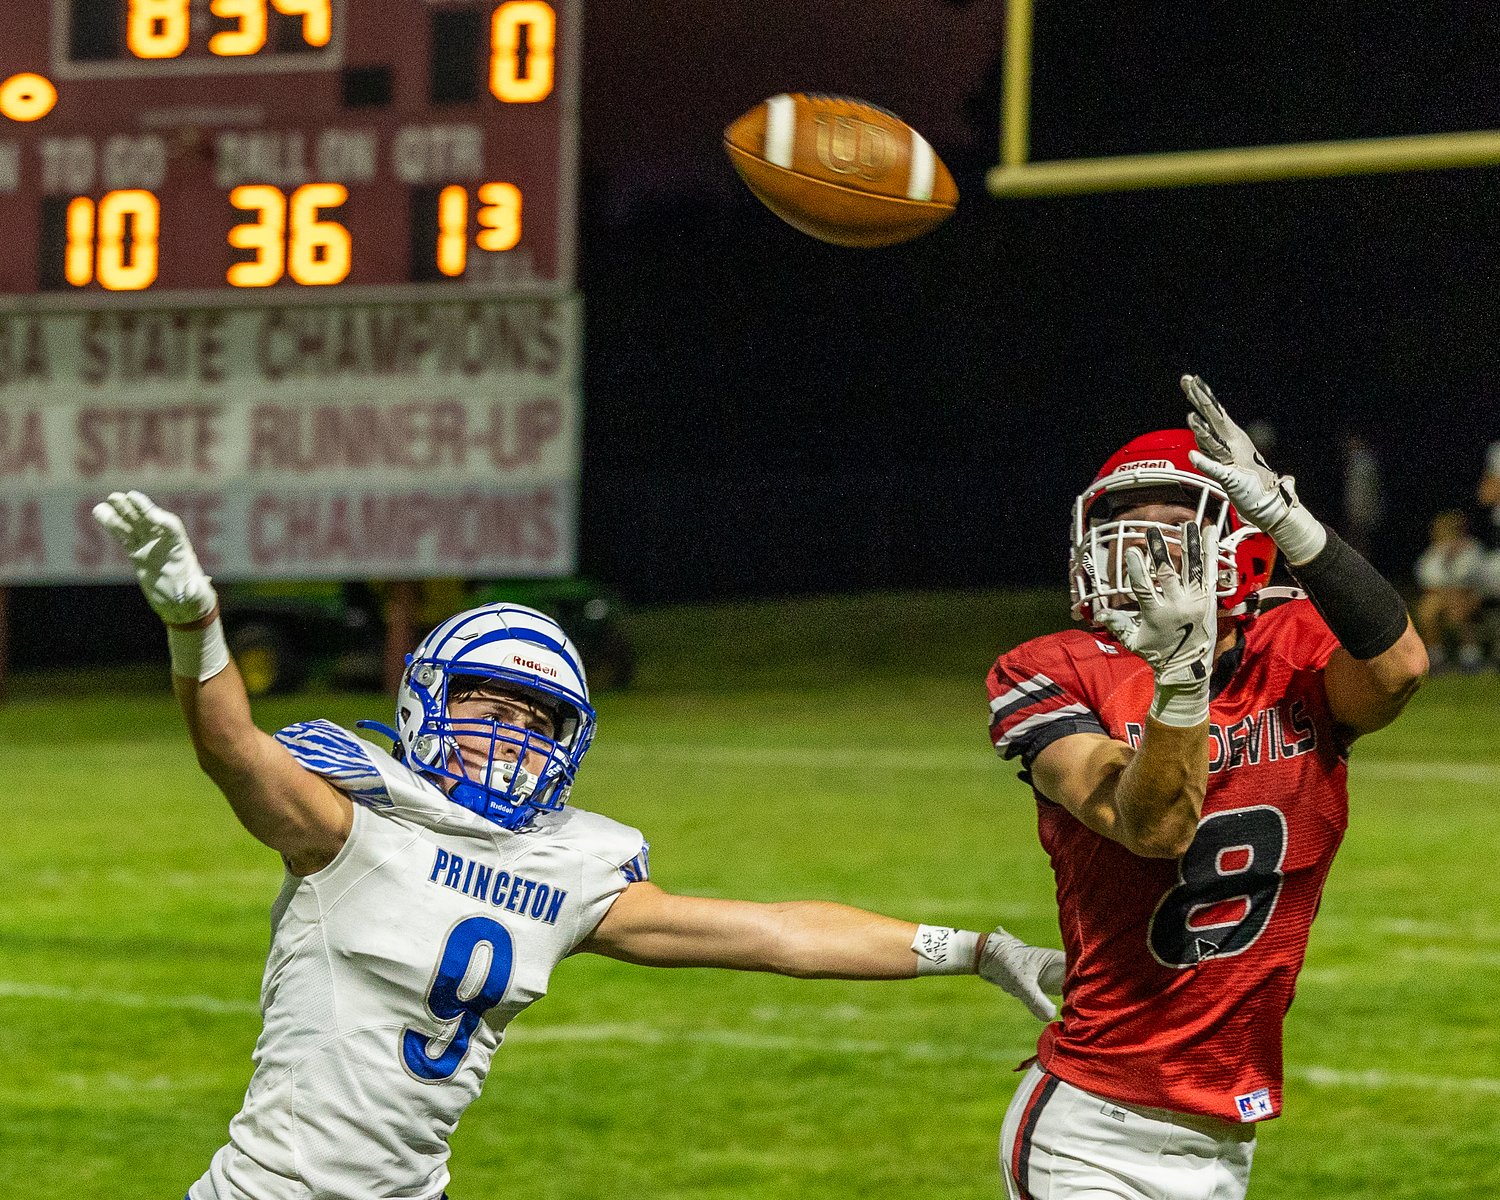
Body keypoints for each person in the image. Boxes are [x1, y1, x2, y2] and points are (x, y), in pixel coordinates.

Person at [91, 491, 1064, 1200]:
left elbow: (776, 934)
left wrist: (968, 949)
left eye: (538, 716)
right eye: (486, 702)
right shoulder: (354, 823)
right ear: (427, 700)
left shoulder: (567, 867)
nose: (512, 731)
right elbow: (230, 745)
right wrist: (196, 619)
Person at [985, 376, 1427, 1200]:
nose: (1136, 547)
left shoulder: (1291, 647)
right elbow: (1150, 827)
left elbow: (1400, 669)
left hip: (1225, 1130)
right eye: (1120, 526)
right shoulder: (1053, 668)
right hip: (1093, 1128)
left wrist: (1296, 521)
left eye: (1166, 527)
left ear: (1241, 546)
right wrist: (1180, 679)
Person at [1413, 508, 1487, 672]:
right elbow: (1426, 579)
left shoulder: (1472, 549)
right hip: (1441, 597)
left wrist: (1454, 593)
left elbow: (1474, 578)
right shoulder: (1433, 553)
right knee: (1427, 610)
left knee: (1459, 605)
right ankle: (1436, 656)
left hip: (1469, 596)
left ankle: (1470, 656)